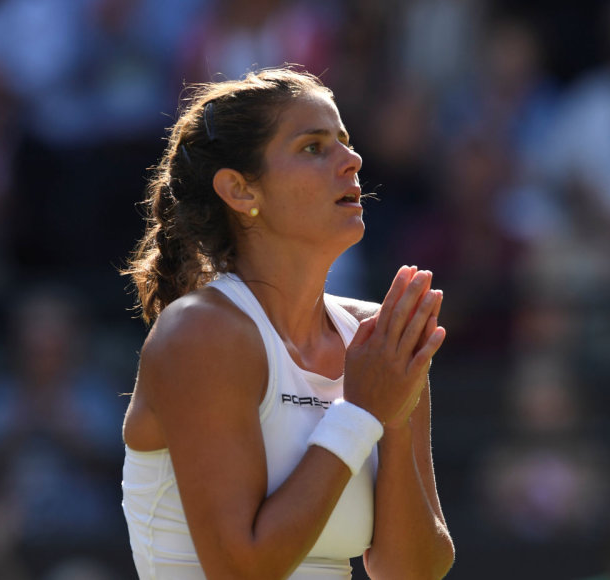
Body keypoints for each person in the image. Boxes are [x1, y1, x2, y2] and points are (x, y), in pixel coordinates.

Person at [120, 67, 455, 579]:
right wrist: (361, 411)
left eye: (344, 141)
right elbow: (241, 571)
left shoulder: (375, 341)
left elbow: (411, 572)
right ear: (240, 190)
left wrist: (391, 414)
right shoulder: (200, 333)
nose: (353, 160)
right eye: (313, 148)